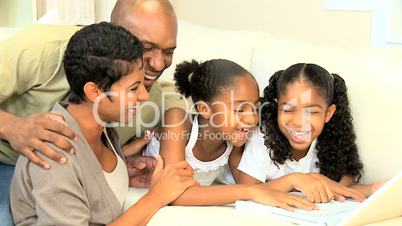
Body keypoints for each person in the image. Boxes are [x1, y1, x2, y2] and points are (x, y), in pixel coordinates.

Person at [0, 0, 183, 224]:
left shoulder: (122, 109)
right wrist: (11, 126)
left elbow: (175, 96)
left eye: (168, 51)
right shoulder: (40, 49)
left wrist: (116, 172)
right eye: (146, 47)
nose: (157, 63)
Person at [142, 59, 317, 210]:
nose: (251, 119)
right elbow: (174, 194)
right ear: (205, 109)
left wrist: (296, 180)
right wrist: (251, 193)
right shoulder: (177, 120)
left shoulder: (234, 141)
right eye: (240, 110)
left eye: (255, 108)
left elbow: (250, 185)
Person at [230, 63, 383, 203]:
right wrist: (296, 180)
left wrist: (373, 189)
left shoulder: (329, 141)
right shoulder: (263, 136)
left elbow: (342, 187)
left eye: (311, 112)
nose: (298, 122)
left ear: (328, 113)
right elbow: (248, 191)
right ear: (277, 108)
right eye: (288, 110)